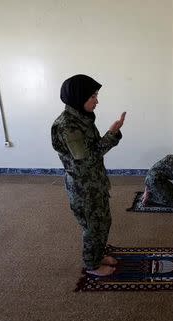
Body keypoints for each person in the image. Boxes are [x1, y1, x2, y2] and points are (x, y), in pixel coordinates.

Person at [51, 74, 126, 276]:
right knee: (93, 226)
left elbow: (92, 149)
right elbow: (88, 158)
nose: (97, 101)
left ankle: (97, 255)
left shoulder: (82, 118)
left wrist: (112, 133)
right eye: (92, 96)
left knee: (103, 221)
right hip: (83, 187)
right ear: (78, 96)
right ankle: (92, 265)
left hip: (94, 181)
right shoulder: (68, 125)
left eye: (96, 95)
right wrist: (112, 134)